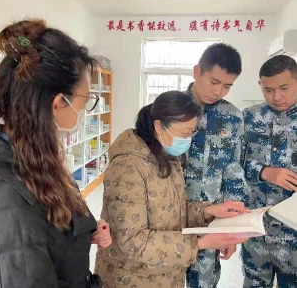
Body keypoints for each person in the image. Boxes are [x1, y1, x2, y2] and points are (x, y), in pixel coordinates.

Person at [0, 19, 111, 288]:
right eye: (86, 100)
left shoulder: (38, 157)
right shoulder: (9, 197)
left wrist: (82, 230)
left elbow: (49, 226)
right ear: (59, 103)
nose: (85, 111)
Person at [94, 90, 249, 288]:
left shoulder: (166, 154)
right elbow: (133, 240)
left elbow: (173, 206)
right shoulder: (128, 166)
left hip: (167, 274)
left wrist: (208, 210)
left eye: (192, 132)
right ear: (159, 126)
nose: (188, 139)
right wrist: (201, 244)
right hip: (131, 278)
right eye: (184, 133)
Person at [185, 43, 250, 288]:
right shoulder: (170, 108)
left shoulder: (232, 117)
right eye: (214, 82)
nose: (219, 91)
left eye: (227, 86)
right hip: (169, 215)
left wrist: (230, 229)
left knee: (204, 281)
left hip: (211, 218)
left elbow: (234, 171)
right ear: (196, 71)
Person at [242, 55, 297, 288]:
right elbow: (230, 163)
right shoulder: (248, 117)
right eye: (268, 90)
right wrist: (264, 171)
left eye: (284, 88)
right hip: (257, 229)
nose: (276, 97)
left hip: (294, 236)